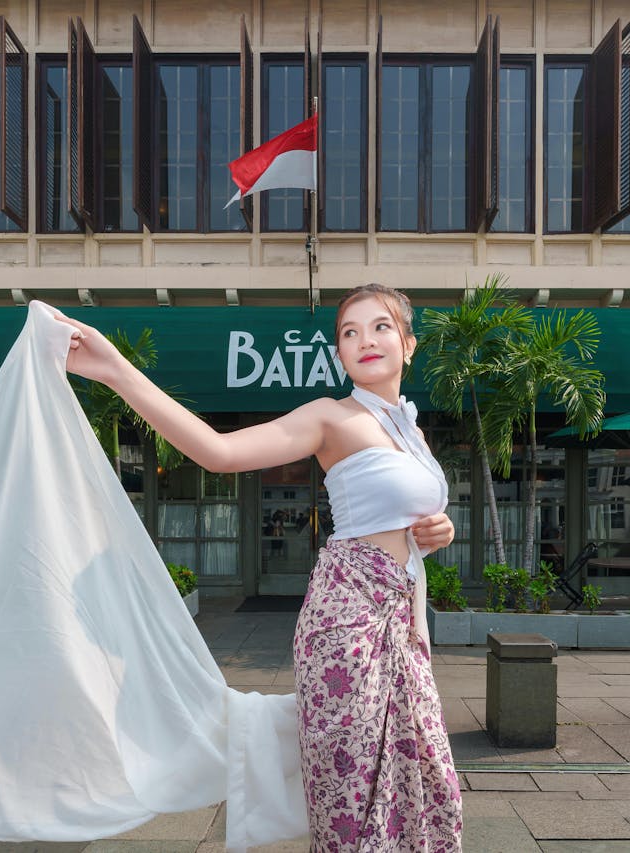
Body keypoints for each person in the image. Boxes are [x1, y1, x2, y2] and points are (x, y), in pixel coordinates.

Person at [55, 283, 464, 851]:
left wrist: (436, 532)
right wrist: (117, 371)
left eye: (381, 327)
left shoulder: (413, 432)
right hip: (347, 623)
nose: (365, 340)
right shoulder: (331, 417)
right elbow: (219, 453)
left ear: (408, 344)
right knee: (351, 798)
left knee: (429, 782)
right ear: (340, 354)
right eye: (350, 332)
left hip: (401, 623)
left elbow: (410, 520)